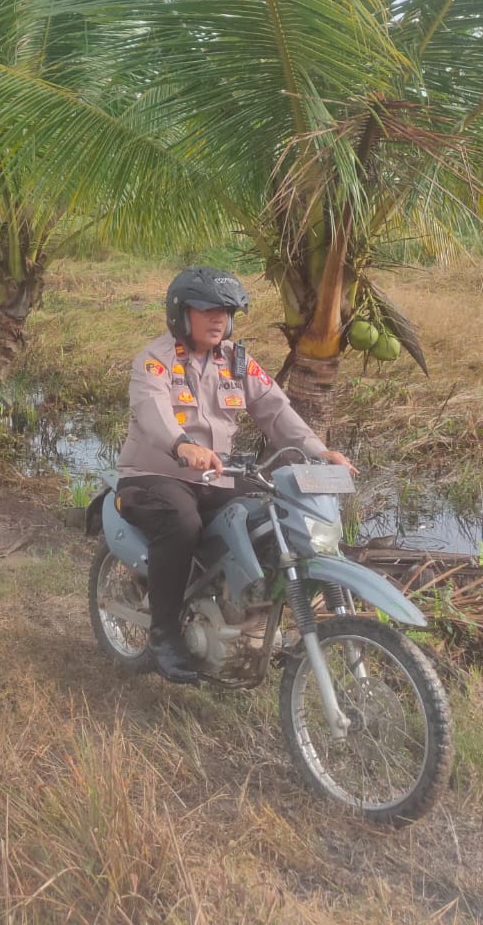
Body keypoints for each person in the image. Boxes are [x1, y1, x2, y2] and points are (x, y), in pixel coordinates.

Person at [114, 266, 358, 685]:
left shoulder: (237, 361)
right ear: (180, 312)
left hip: (217, 475)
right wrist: (181, 445)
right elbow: (152, 411)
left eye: (225, 311)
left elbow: (275, 409)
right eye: (207, 309)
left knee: (275, 514)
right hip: (153, 475)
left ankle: (251, 614)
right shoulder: (155, 361)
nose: (218, 319)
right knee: (181, 521)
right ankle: (164, 635)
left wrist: (319, 451)